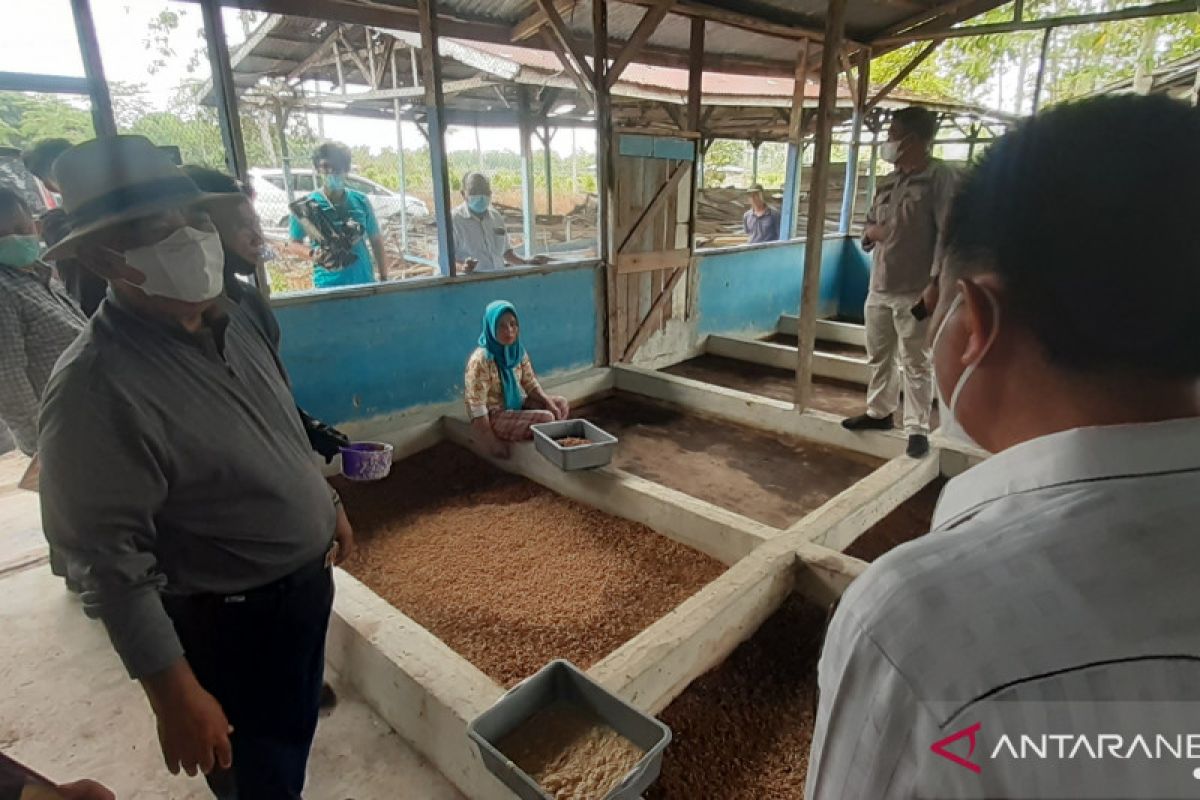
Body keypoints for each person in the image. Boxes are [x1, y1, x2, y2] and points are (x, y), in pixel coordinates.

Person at [806, 96, 1200, 799]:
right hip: (883, 285)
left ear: (974, 319)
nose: (891, 142)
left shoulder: (914, 626)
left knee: (911, 376)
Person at [37, 135, 354, 798]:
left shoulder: (236, 318)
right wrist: (173, 693)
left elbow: (279, 423)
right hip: (227, 623)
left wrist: (328, 506)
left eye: (195, 219)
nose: (190, 238)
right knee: (257, 775)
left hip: (302, 591)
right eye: (159, 229)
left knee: (290, 737)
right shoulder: (97, 389)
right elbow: (108, 562)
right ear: (105, 254)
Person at [182, 165, 351, 466]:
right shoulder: (184, 321)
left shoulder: (250, 302)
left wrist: (304, 424)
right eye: (240, 226)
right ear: (200, 231)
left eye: (255, 222)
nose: (257, 236)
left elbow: (268, 386)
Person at [841, 107, 957, 459]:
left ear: (915, 139)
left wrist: (935, 282)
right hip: (880, 285)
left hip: (915, 286)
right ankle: (879, 413)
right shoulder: (888, 181)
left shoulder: (939, 177)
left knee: (916, 359)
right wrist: (871, 234)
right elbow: (868, 225)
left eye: (894, 134)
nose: (889, 141)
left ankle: (917, 427)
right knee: (879, 355)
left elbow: (947, 234)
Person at [0, 188, 86, 457]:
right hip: (63, 430)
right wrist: (45, 444)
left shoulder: (40, 275)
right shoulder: (3, 290)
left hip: (93, 411)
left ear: (34, 226)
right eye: (1, 234)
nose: (11, 238)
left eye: (18, 227)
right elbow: (9, 382)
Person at [465, 300, 569, 458]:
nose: (509, 331)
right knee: (546, 419)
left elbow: (530, 383)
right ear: (491, 327)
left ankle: (547, 439)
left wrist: (548, 402)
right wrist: (491, 442)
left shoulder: (517, 351)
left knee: (560, 405)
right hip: (494, 415)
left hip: (515, 404)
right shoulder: (481, 360)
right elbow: (476, 407)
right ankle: (544, 445)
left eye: (513, 324)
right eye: (501, 326)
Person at [285, 141, 388, 288]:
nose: (332, 172)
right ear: (317, 169)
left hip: (363, 281)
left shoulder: (361, 201)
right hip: (327, 285)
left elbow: (376, 240)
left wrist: (384, 279)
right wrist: (313, 254)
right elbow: (294, 243)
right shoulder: (305, 207)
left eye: (338, 167)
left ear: (346, 169)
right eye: (326, 166)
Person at [22, 138, 106, 316]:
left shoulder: (111, 205)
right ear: (49, 185)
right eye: (66, 173)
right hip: (95, 309)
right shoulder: (55, 222)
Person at [452, 172, 548, 274]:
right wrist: (463, 267)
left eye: (485, 191)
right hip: (471, 283)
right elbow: (446, 260)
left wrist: (525, 262)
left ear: (490, 194)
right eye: (474, 191)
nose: (480, 196)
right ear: (463, 194)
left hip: (498, 280)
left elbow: (506, 253)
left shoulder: (496, 217)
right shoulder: (454, 220)